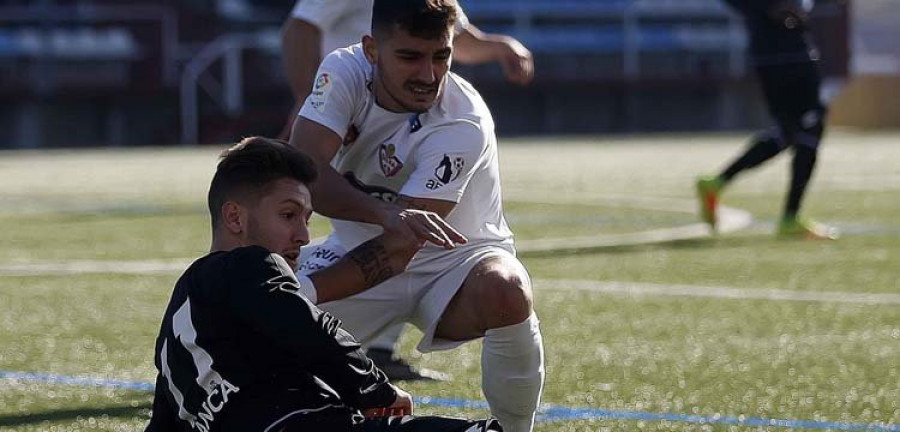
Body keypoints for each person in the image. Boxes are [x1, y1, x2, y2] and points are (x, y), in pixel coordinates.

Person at [288, 1, 544, 431]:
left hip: (455, 264)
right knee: (256, 338)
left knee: (507, 287)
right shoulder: (343, 71)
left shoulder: (462, 122)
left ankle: (516, 429)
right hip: (355, 248)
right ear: (371, 50)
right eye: (409, 56)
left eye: (440, 56)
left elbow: (404, 243)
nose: (428, 75)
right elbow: (302, 173)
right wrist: (383, 214)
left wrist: (306, 293)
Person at [145, 137, 503, 431]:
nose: (302, 235)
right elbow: (307, 326)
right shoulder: (247, 263)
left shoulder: (179, 316)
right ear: (235, 217)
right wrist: (375, 390)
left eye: (307, 219)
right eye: (288, 215)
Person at [696, 0, 838, 240]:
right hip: (790, 57)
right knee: (810, 127)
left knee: (789, 132)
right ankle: (790, 218)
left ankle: (717, 183)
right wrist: (770, 7)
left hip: (771, 56)